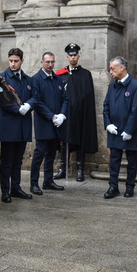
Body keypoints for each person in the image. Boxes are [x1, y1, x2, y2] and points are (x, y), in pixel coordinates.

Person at [0, 48, 37, 203]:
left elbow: (35, 96)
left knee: (18, 160)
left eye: (16, 61)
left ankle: (16, 188)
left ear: (22, 61)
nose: (13, 64)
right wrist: (17, 108)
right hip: (8, 125)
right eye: (11, 61)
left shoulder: (28, 80)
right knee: (7, 160)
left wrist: (28, 105)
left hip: (22, 125)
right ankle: (5, 191)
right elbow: (1, 99)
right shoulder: (1, 78)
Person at [102, 57, 137, 199]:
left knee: (132, 161)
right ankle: (113, 186)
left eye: (113, 68)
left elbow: (136, 111)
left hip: (131, 131)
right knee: (114, 160)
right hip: (115, 129)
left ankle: (130, 187)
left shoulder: (136, 86)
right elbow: (106, 106)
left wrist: (129, 130)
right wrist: (108, 124)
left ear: (122, 68)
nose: (111, 71)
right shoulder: (112, 86)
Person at [55, 43, 98, 181]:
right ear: (67, 57)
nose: (73, 57)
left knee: (80, 140)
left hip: (80, 115)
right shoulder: (61, 74)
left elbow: (89, 96)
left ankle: (80, 170)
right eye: (70, 55)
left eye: (75, 55)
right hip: (65, 115)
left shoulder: (85, 74)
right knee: (64, 141)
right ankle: (63, 168)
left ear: (78, 56)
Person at [29, 51, 66, 194]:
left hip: (57, 123)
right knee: (39, 154)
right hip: (44, 123)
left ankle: (48, 181)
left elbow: (65, 98)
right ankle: (33, 183)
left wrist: (62, 115)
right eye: (47, 62)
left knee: (51, 154)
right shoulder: (36, 80)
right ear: (42, 63)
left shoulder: (57, 79)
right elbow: (37, 101)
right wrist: (52, 116)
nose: (50, 65)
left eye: (52, 62)